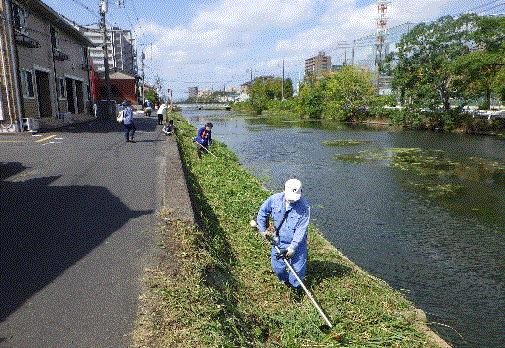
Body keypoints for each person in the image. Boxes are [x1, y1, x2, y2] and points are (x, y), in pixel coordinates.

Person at [255, 179, 310, 298]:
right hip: (278, 241)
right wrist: (263, 230)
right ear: (283, 189)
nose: (292, 200)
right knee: (278, 268)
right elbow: (262, 213)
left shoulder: (304, 208)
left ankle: (296, 290)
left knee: (297, 272)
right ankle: (285, 282)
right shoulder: (274, 199)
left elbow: (301, 230)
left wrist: (292, 248)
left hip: (296, 244)